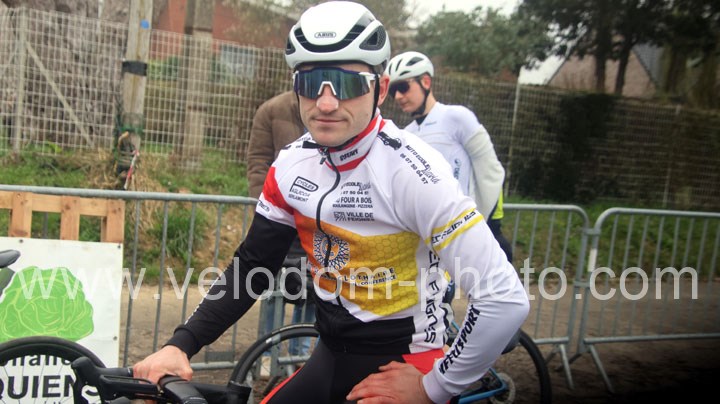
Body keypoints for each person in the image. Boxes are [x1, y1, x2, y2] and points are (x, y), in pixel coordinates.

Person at [133, 2, 529, 403]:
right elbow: (253, 265)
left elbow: (503, 298)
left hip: (409, 365)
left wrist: (436, 386)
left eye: (348, 84)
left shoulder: (413, 172)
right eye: (311, 83)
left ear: (381, 89)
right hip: (330, 356)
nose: (325, 103)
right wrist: (180, 344)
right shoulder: (290, 165)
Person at [386, 51, 513, 263]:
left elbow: (491, 171)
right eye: (392, 91)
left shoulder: (457, 117)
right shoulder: (406, 134)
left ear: (426, 82)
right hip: (433, 241)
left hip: (469, 232)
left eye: (403, 87)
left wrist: (488, 226)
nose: (398, 96)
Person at [247, 89, 315, 357]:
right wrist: (268, 206)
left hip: (315, 217)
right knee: (272, 285)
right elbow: (257, 161)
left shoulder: (331, 108)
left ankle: (300, 354)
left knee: (313, 288)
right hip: (282, 215)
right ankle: (267, 355)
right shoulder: (271, 109)